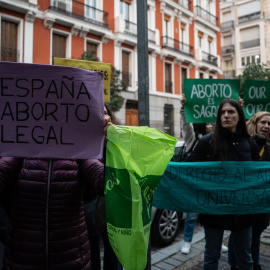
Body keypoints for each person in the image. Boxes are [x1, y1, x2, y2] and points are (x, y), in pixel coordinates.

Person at [0, 115, 112, 270]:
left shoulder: (78, 149)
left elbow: (106, 185)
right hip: (22, 259)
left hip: (73, 259)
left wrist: (110, 147)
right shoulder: (20, 148)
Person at [185, 99, 261, 270]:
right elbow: (187, 169)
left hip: (242, 210)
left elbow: (259, 174)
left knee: (245, 259)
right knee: (212, 256)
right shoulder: (207, 141)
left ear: (239, 116)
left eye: (231, 112)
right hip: (214, 209)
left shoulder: (249, 143)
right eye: (222, 112)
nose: (226, 115)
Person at [180, 94, 228, 255]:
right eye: (206, 123)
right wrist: (183, 109)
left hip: (212, 184)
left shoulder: (217, 140)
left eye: (211, 123)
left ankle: (215, 241)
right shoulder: (192, 139)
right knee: (192, 215)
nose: (209, 125)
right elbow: (185, 126)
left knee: (213, 214)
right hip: (194, 183)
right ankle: (187, 241)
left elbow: (219, 127)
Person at [228, 111, 270, 270]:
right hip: (242, 204)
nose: (266, 126)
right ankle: (234, 265)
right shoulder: (242, 143)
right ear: (255, 123)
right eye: (263, 122)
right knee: (238, 237)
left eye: (269, 124)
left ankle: (256, 264)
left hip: (261, 207)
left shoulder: (269, 148)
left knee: (256, 236)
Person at [84, 104, 119, 270]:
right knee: (91, 254)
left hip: (112, 212)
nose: (103, 118)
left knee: (114, 254)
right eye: (99, 114)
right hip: (88, 210)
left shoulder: (116, 141)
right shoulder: (83, 144)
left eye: (105, 113)